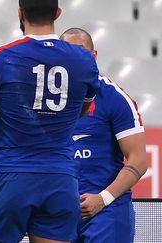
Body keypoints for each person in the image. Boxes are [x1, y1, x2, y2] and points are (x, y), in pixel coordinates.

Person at [0, 0, 102, 242]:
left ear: (20, 12)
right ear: (58, 13)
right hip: (60, 180)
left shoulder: (3, 57)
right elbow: (81, 109)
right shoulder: (85, 60)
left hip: (11, 178)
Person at [60, 27, 147, 243]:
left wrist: (102, 199)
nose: (74, 59)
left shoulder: (115, 98)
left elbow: (139, 160)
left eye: (80, 51)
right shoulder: (47, 100)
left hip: (107, 214)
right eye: (67, 53)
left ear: (94, 56)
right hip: (59, 214)